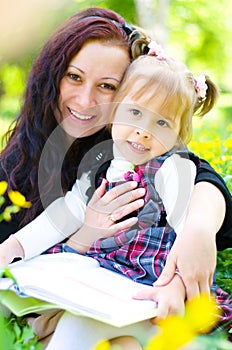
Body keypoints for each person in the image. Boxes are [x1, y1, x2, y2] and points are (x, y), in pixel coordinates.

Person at [29, 49, 231, 349]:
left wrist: (175, 283)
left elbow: (185, 235)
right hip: (104, 281)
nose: (143, 131)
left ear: (179, 133)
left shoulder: (171, 169)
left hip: (151, 289)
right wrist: (14, 247)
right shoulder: (98, 167)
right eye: (135, 113)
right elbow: (64, 213)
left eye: (161, 123)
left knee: (80, 326)